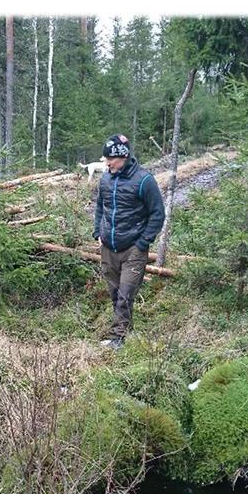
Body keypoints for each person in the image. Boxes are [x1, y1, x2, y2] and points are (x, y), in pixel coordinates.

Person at [92, 134, 165, 349]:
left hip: (134, 248)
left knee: (125, 294)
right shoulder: (106, 178)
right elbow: (99, 207)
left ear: (122, 157)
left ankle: (118, 339)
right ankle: (125, 329)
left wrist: (143, 243)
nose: (106, 163)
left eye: (110, 159)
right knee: (115, 293)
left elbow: (157, 214)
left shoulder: (144, 180)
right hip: (108, 246)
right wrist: (98, 232)